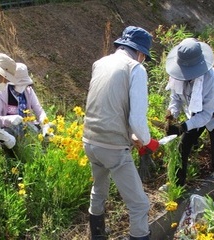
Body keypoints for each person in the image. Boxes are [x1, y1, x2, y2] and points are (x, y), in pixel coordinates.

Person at [82, 26, 159, 240]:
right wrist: (147, 141)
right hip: (113, 148)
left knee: (99, 190)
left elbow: (109, 105)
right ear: (141, 53)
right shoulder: (135, 68)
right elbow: (136, 119)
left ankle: (97, 236)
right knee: (139, 204)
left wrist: (132, 135)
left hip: (90, 141)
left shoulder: (100, 63)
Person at [164, 38, 214, 193]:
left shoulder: (210, 76)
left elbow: (206, 114)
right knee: (182, 148)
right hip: (195, 113)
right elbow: (175, 98)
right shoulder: (176, 73)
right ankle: (177, 185)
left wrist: (183, 126)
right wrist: (172, 115)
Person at [0, 62, 51, 144]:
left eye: (25, 84)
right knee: (7, 137)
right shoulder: (1, 93)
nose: (23, 86)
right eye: (20, 84)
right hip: (9, 130)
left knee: (51, 129)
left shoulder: (29, 91)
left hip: (27, 128)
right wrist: (8, 119)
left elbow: (40, 111)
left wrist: (45, 125)